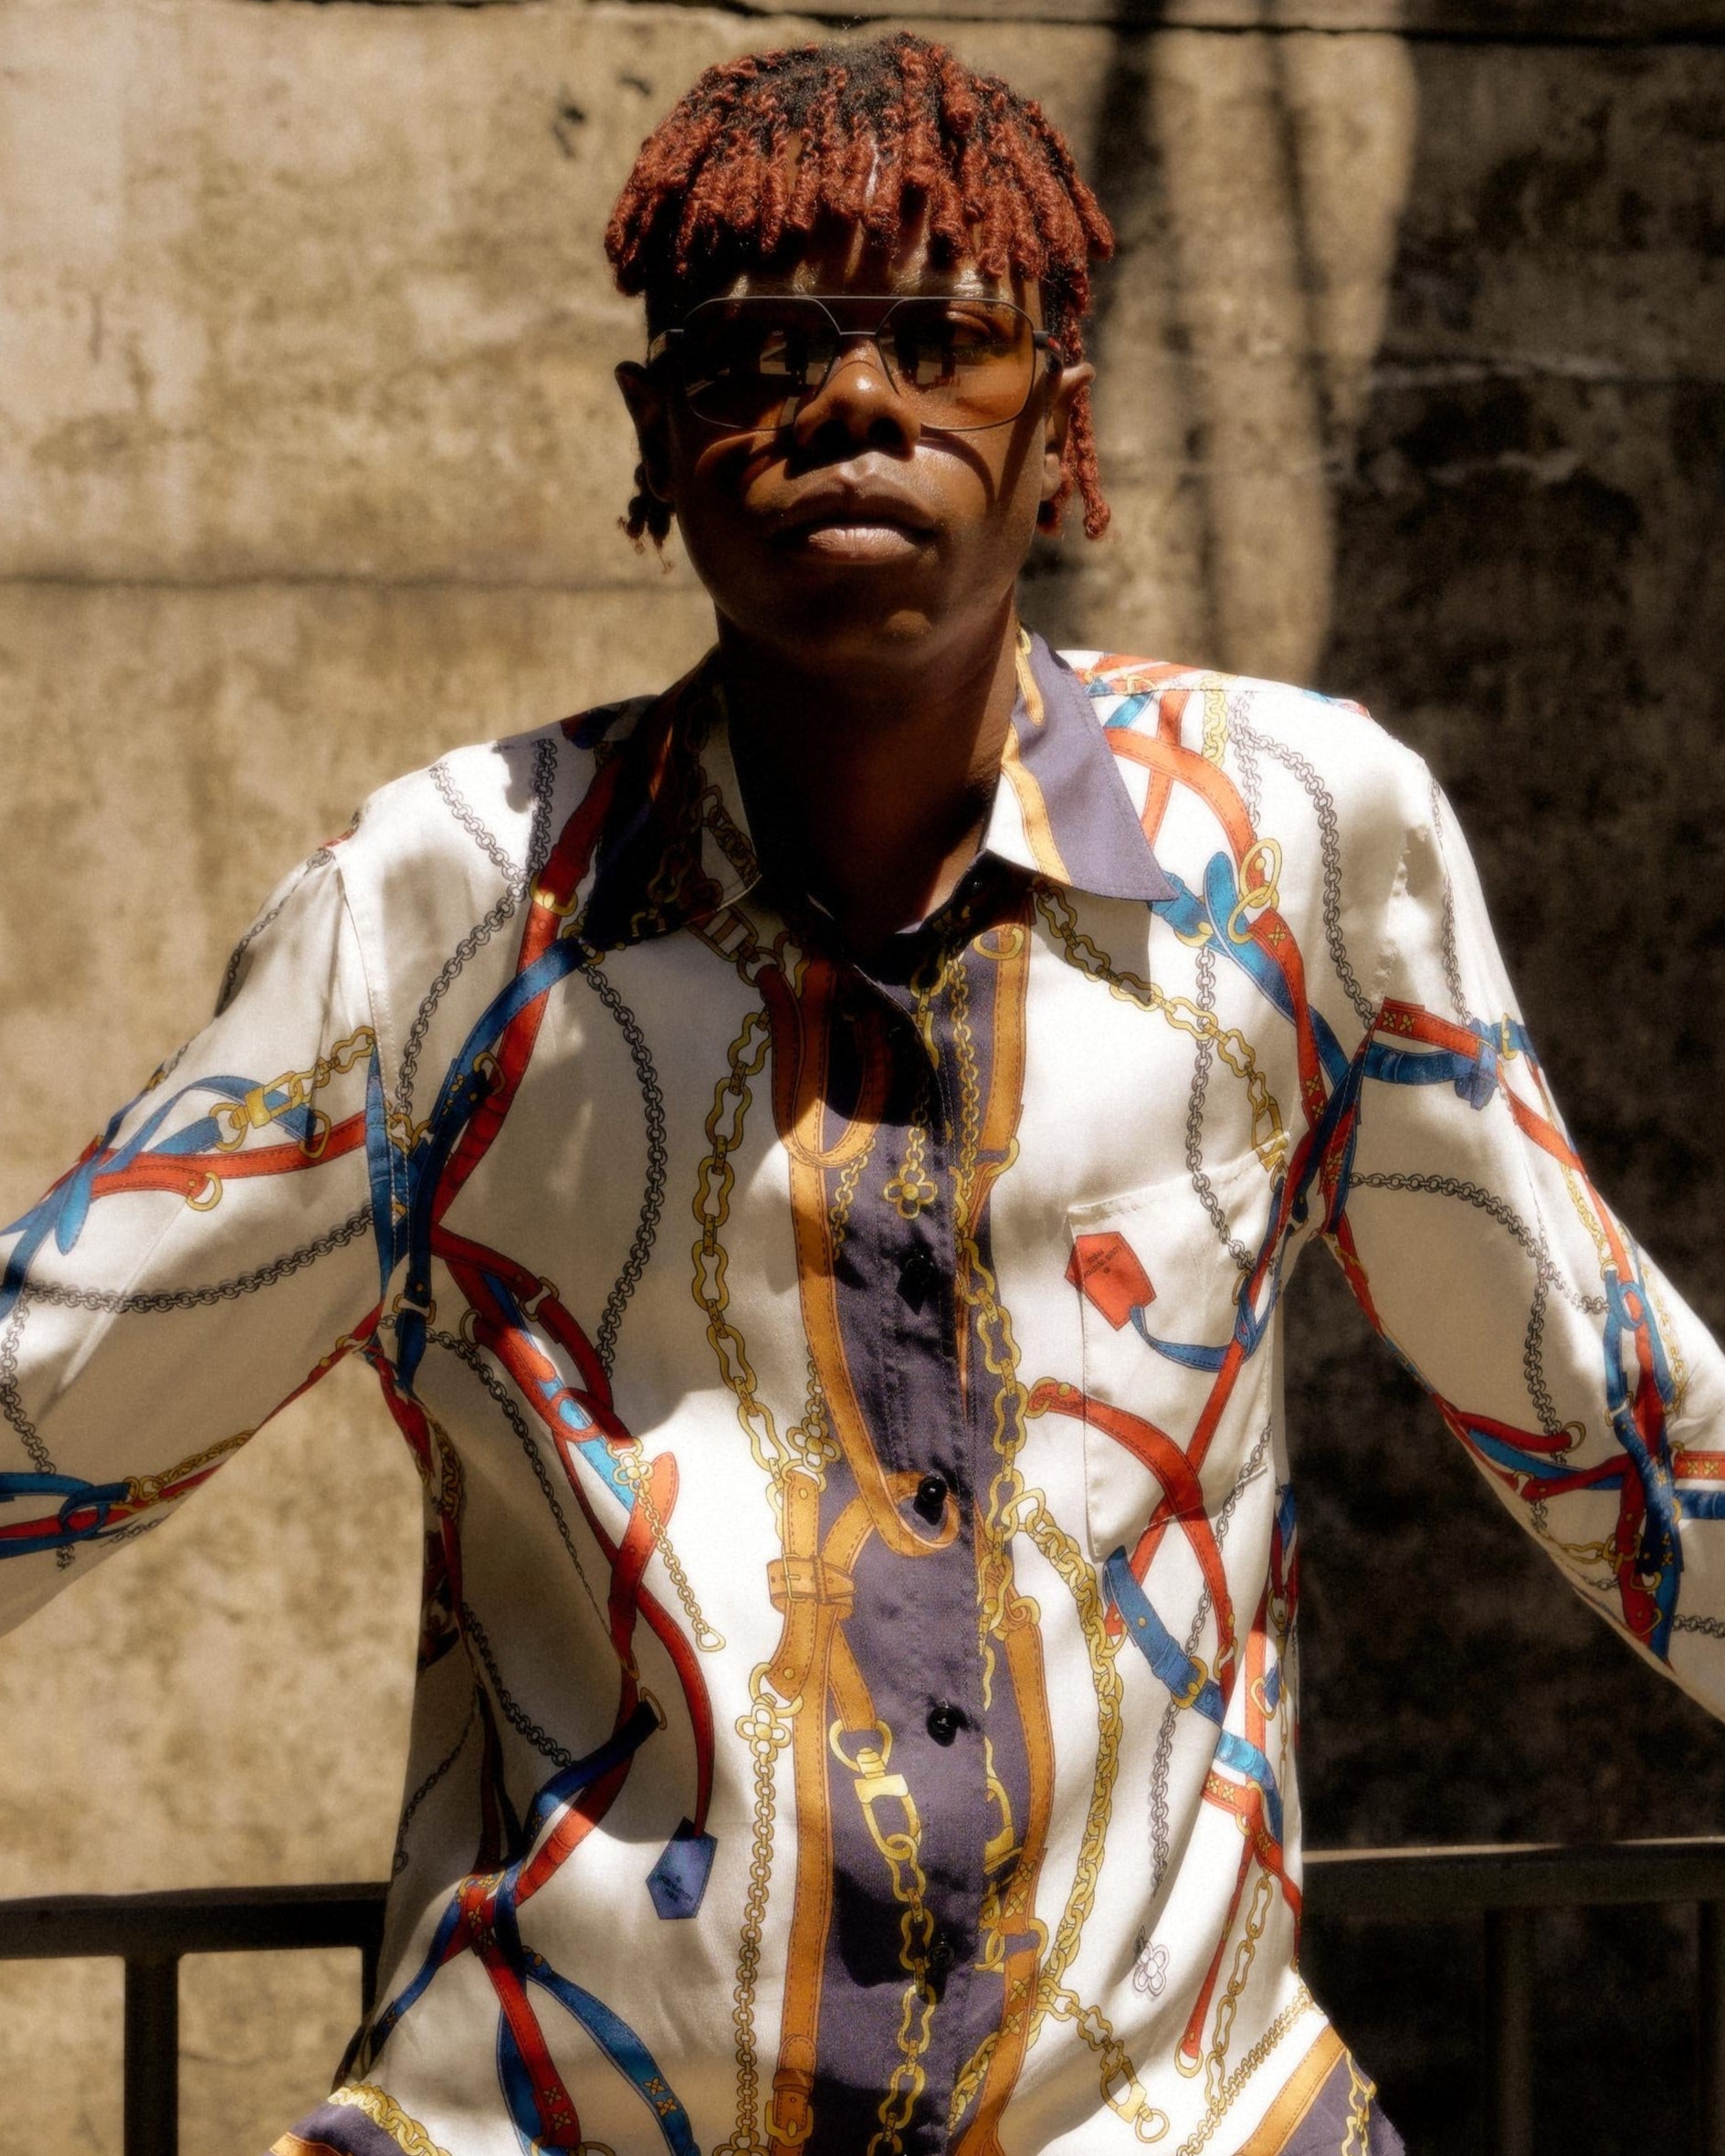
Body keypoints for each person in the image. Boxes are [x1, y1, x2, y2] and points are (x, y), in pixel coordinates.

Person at [1, 31, 1719, 2156]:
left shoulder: (1298, 852)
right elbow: (52, 1398)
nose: (851, 404)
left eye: (940, 337)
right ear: (658, 435)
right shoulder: (450, 909)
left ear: (1060, 418)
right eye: (759, 351)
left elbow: (1623, 1430)